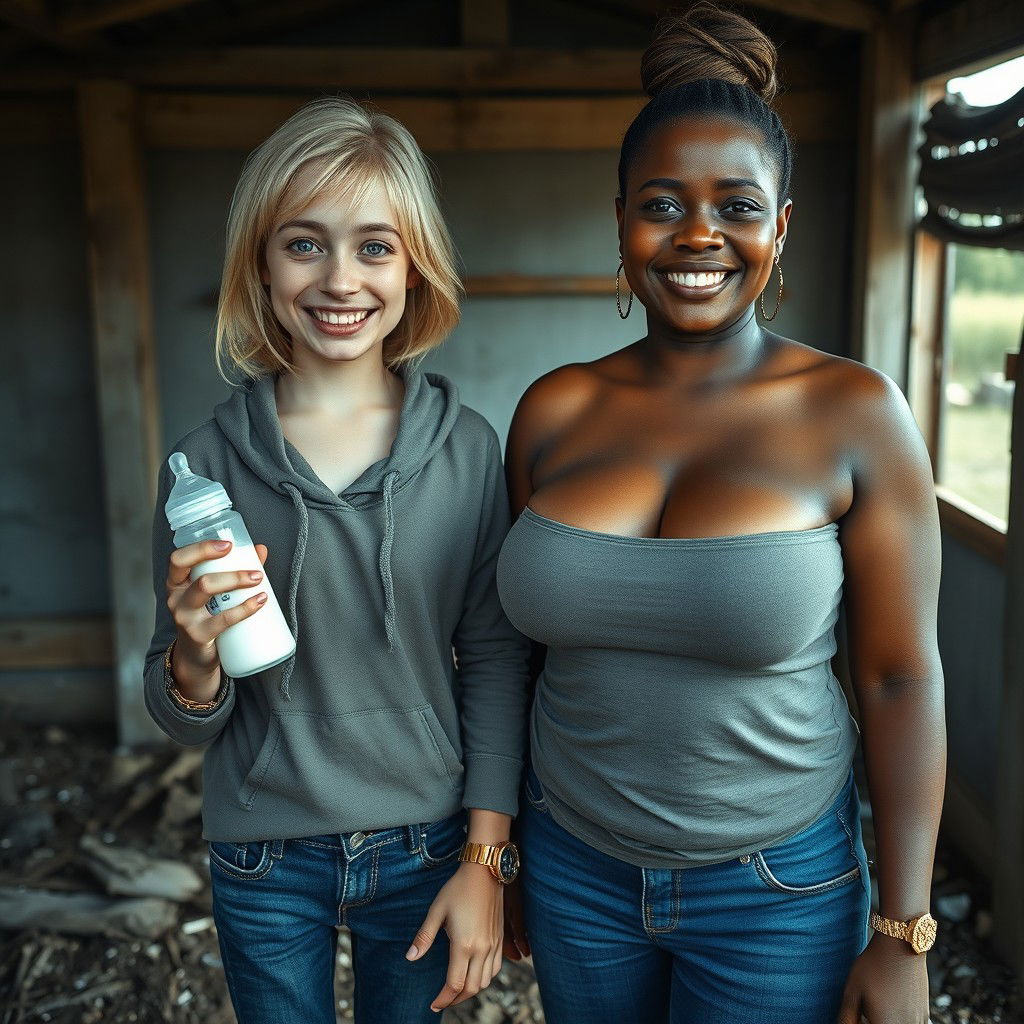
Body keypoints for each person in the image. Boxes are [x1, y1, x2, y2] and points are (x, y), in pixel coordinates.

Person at [497, 5, 945, 1023]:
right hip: (573, 871)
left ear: (779, 227)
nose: (698, 233)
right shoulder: (552, 407)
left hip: (774, 893)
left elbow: (898, 674)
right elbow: (514, 657)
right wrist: (507, 848)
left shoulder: (855, 413)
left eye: (736, 205)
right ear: (619, 221)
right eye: (663, 203)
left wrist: (903, 931)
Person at [143, 96, 528, 1024]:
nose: (340, 279)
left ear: (413, 267)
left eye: (375, 246)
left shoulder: (468, 450)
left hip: (429, 846)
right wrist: (193, 660)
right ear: (262, 265)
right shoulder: (206, 467)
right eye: (304, 244)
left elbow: (499, 662)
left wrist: (486, 860)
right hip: (263, 853)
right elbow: (184, 719)